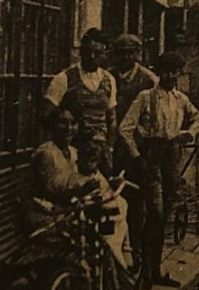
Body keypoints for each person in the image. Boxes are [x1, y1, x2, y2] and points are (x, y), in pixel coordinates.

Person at [120, 52, 199, 288]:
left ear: (179, 73)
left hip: (171, 159)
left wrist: (188, 133)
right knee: (154, 214)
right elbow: (124, 128)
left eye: (174, 71)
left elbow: (198, 119)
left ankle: (155, 271)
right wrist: (137, 157)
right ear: (159, 72)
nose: (169, 75)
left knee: (165, 214)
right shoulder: (146, 97)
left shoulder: (180, 99)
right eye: (165, 71)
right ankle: (145, 271)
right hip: (151, 159)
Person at [107, 34, 157, 265]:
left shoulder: (148, 80)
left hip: (136, 152)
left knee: (137, 204)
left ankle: (137, 253)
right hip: (111, 151)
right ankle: (114, 254)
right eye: (122, 53)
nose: (126, 57)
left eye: (131, 52)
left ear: (138, 53)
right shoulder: (108, 77)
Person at [44, 29, 117, 161]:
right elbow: (48, 116)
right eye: (88, 52)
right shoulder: (64, 78)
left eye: (98, 53)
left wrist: (110, 148)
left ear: (105, 54)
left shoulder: (109, 80)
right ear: (81, 52)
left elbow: (111, 119)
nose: (92, 57)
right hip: (74, 151)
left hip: (99, 152)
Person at [28, 108, 99, 235]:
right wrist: (80, 191)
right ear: (53, 126)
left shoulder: (74, 152)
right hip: (47, 215)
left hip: (65, 210)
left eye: (73, 123)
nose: (69, 128)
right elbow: (48, 194)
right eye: (63, 122)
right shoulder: (46, 153)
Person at [75, 134, 130, 264]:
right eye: (85, 161)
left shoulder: (97, 176)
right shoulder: (77, 178)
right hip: (95, 214)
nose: (89, 165)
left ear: (97, 163)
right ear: (78, 162)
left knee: (114, 242)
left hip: (110, 213)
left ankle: (123, 264)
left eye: (92, 161)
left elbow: (106, 193)